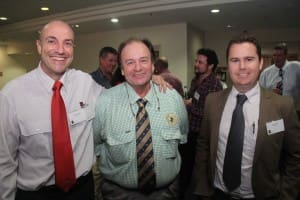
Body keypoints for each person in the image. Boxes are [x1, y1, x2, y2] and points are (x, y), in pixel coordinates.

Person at [0, 20, 105, 200]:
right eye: (51, 41)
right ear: (39, 46)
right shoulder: (12, 95)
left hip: (83, 191)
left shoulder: (85, 83)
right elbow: (4, 161)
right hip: (36, 195)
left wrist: (149, 79)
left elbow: (118, 99)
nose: (60, 50)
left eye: (67, 43)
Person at [192, 34, 300, 199]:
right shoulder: (212, 102)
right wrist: (202, 187)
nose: (242, 66)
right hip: (217, 193)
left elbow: (295, 157)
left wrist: (286, 195)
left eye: (249, 59)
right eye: (235, 60)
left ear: (261, 63)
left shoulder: (283, 106)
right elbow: (203, 145)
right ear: (228, 65)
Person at [93, 38, 188, 200]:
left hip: (167, 193)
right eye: (130, 62)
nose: (138, 68)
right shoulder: (104, 102)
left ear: (152, 65)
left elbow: (183, 138)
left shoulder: (173, 99)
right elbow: (97, 145)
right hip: (119, 194)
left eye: (143, 60)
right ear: (122, 69)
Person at [180, 48, 222, 199]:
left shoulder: (214, 85)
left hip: (201, 135)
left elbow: (210, 113)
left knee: (198, 170)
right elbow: (192, 97)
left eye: (200, 62)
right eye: (196, 61)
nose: (196, 64)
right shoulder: (195, 80)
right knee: (185, 167)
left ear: (210, 66)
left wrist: (189, 105)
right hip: (189, 130)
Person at [259, 43, 300, 118]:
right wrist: (270, 93)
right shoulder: (266, 73)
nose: (276, 58)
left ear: (285, 56)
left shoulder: (296, 67)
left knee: (293, 129)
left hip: (294, 112)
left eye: (279, 56)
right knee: (275, 130)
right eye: (274, 55)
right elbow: (259, 94)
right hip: (273, 113)